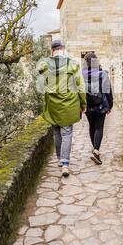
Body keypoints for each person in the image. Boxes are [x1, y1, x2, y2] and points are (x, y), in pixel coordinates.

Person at [38, 39, 86, 177]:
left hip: (53, 104)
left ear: (52, 50)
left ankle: (60, 159)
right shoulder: (72, 64)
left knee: (57, 132)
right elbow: (80, 87)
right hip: (69, 103)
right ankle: (65, 164)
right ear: (63, 49)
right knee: (66, 132)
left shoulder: (45, 65)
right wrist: (83, 104)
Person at [82, 52, 113, 165]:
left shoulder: (82, 75)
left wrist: (81, 105)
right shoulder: (102, 74)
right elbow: (107, 90)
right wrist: (110, 105)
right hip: (101, 104)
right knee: (99, 128)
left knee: (92, 127)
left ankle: (95, 149)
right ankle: (96, 151)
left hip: (88, 105)